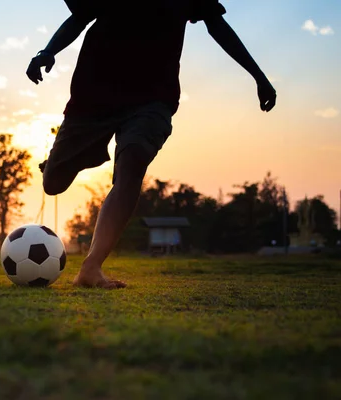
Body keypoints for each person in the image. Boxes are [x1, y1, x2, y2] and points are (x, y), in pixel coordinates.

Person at [26, 0, 277, 289]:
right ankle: (62, 160)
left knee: (132, 164)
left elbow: (216, 24)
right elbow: (80, 17)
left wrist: (259, 76)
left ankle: (91, 267)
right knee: (53, 184)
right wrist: (47, 51)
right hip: (94, 93)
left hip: (152, 98)